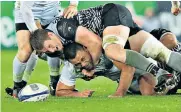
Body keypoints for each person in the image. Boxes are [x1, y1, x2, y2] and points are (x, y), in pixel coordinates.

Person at [30, 3, 177, 88]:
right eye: (47, 51)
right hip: (117, 27)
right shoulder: (53, 40)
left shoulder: (63, 28)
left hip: (111, 15)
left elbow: (95, 43)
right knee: (163, 54)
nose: (52, 50)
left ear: (50, 34)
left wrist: (91, 67)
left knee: (112, 50)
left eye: (49, 46)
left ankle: (158, 72)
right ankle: (165, 68)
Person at [5, 1, 79, 97]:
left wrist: (73, 4)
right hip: (25, 9)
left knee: (55, 44)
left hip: (51, 8)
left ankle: (54, 81)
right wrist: (35, 31)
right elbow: (25, 8)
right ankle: (17, 86)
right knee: (26, 50)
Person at [56, 43, 157, 97]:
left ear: (85, 48)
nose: (83, 64)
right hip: (128, 80)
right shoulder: (71, 66)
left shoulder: (105, 50)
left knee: (148, 93)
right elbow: (60, 91)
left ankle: (167, 72)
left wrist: (119, 93)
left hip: (145, 69)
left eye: (83, 59)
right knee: (139, 91)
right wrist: (78, 94)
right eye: (78, 64)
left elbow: (128, 68)